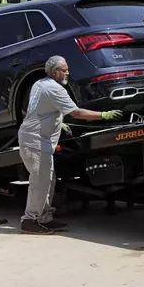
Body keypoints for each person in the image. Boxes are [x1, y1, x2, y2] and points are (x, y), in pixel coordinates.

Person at [18, 56, 123, 235]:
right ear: (53, 72)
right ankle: (30, 220)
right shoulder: (54, 88)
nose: (68, 73)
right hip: (35, 141)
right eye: (64, 70)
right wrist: (103, 115)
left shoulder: (39, 84)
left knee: (48, 181)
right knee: (40, 181)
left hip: (33, 138)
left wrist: (58, 123)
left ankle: (44, 218)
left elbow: (39, 109)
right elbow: (76, 112)